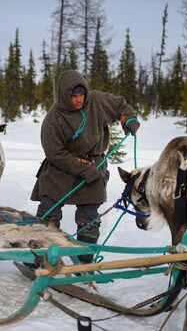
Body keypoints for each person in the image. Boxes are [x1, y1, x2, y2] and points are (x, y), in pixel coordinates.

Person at [30, 70, 139, 263]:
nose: (79, 99)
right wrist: (82, 168)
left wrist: (128, 118)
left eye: (81, 95)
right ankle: (39, 257)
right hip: (60, 168)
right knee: (49, 210)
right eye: (73, 96)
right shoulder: (53, 118)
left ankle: (84, 261)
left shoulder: (96, 101)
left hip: (94, 165)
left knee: (88, 217)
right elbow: (54, 153)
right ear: (65, 96)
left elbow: (120, 105)